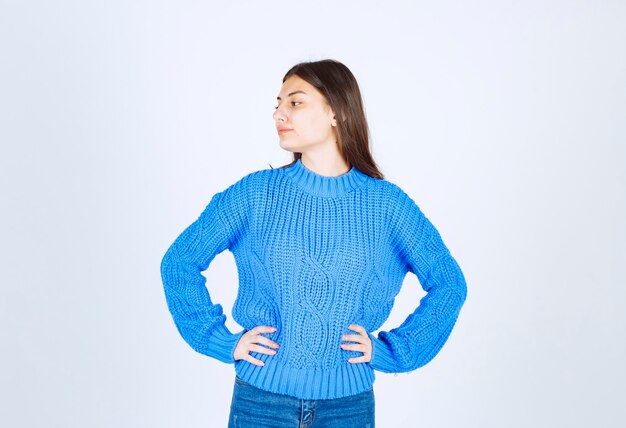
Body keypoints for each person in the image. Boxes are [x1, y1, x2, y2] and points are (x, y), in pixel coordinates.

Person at [160, 59, 467, 427]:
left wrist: (394, 351)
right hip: (261, 402)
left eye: (295, 102)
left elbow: (449, 283)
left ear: (335, 112)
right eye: (277, 103)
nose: (279, 114)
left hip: (347, 409)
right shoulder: (255, 194)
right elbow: (179, 262)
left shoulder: (387, 205)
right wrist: (218, 340)